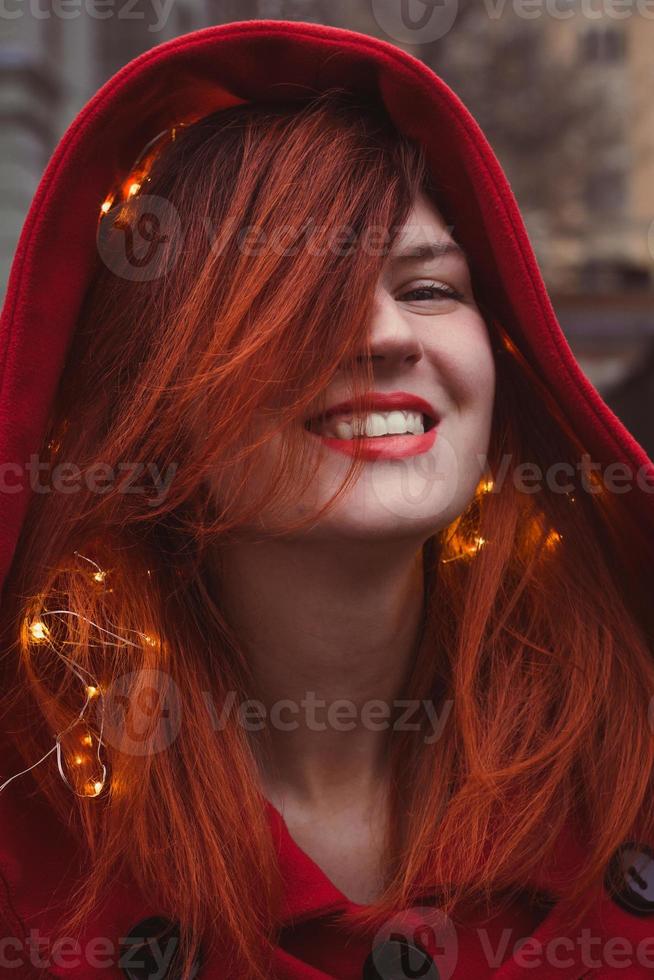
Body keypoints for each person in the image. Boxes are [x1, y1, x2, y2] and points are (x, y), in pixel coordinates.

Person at [0, 18, 653, 980]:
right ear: (154, 400)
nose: (385, 335)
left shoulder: (629, 741)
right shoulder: (32, 807)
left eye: (430, 288)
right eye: (298, 298)